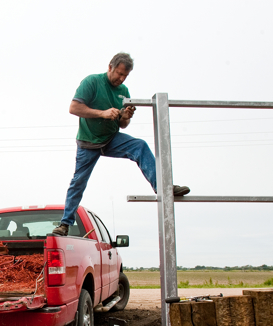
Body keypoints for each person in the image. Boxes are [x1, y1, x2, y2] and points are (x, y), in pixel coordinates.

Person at [52, 52, 190, 237]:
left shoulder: (123, 91)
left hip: (111, 139)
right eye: (119, 73)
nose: (121, 78)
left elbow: (123, 124)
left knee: (139, 146)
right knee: (79, 181)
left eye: (125, 75)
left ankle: (163, 188)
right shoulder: (92, 82)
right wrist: (102, 113)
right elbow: (74, 108)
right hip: (88, 142)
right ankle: (65, 224)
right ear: (110, 67)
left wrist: (125, 118)